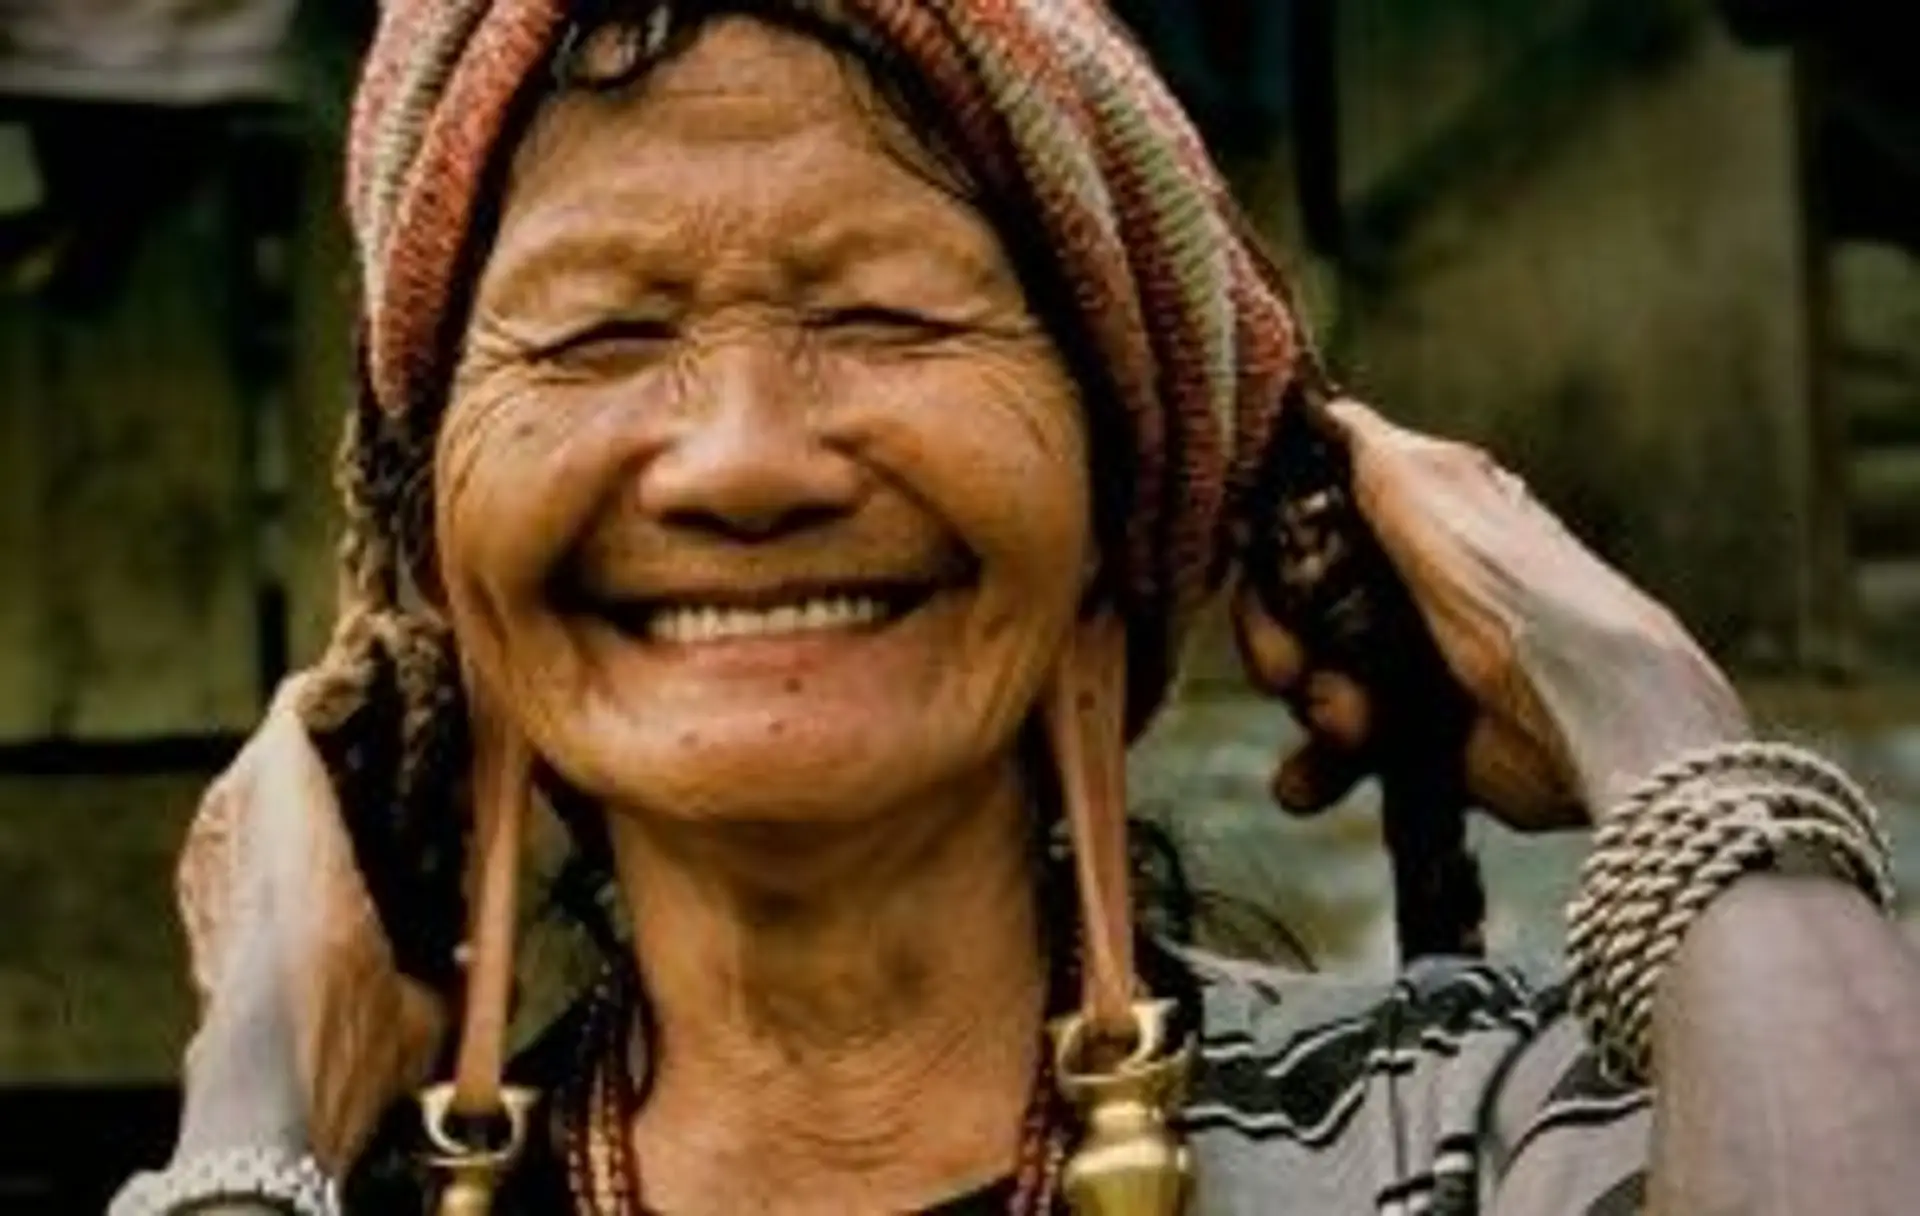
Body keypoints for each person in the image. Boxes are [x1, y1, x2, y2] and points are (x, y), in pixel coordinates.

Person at [110, 2, 1920, 1214]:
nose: (741, 461)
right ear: (445, 543)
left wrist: (1665, 728)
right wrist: (255, 1096)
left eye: (890, 318)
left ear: (1111, 515)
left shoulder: (1471, 1136)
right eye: (600, 335)